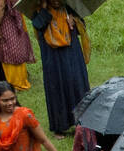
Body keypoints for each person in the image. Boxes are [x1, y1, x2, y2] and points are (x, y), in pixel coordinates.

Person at [28, 0, 88, 136]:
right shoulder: (39, 12)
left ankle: (81, 122)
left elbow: (82, 26)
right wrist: (43, 11)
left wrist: (75, 21)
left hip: (72, 54)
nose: (56, 1)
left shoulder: (68, 9)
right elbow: (38, 26)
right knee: (57, 87)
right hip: (53, 58)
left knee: (76, 83)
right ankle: (59, 127)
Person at [0, 1, 33, 89]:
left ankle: (16, 82)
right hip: (13, 15)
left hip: (5, 18)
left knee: (9, 48)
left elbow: (0, 5)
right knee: (16, 45)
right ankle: (20, 79)